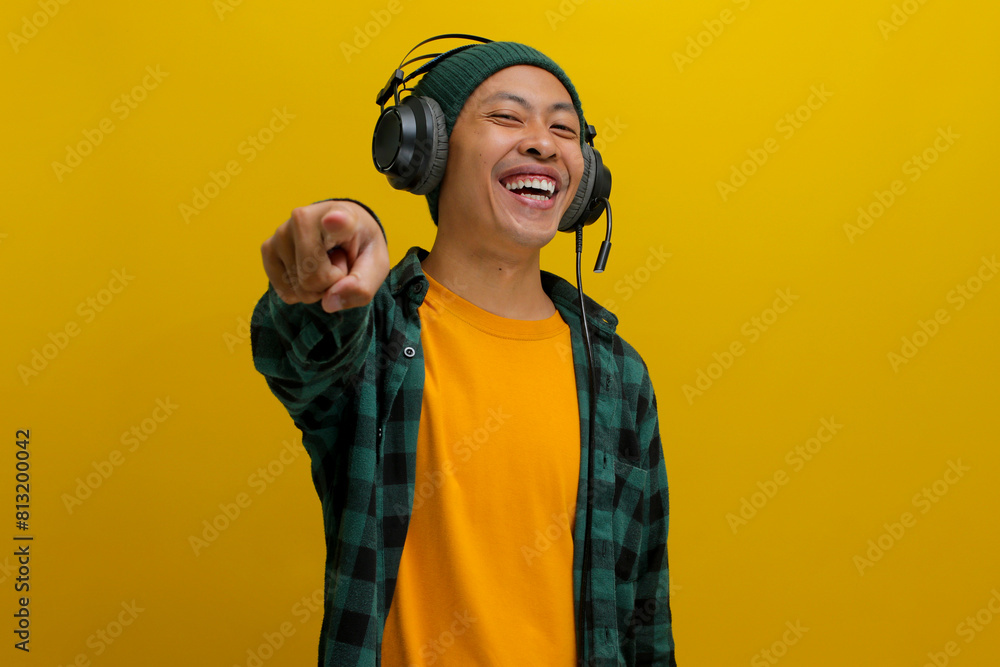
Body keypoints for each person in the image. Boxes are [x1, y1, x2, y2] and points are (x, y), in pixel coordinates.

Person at [251, 38, 676, 666]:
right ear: (427, 151)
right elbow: (299, 345)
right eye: (507, 117)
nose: (542, 143)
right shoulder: (377, 338)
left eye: (564, 129)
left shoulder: (617, 374)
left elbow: (644, 610)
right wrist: (322, 262)